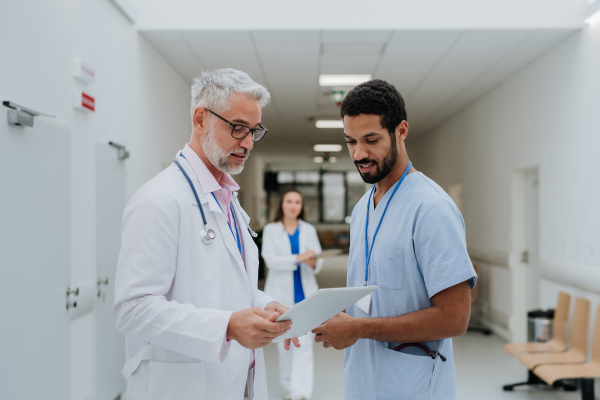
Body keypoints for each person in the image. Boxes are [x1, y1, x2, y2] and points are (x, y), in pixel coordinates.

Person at [112, 68, 299, 400]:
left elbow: (227, 287)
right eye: (238, 128)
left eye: (254, 131)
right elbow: (132, 309)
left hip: (237, 381)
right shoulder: (159, 200)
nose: (247, 143)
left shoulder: (226, 199)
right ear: (200, 119)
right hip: (182, 387)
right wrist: (226, 326)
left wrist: (267, 305)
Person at [311, 79, 477, 400]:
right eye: (350, 141)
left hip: (412, 384)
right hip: (362, 379)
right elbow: (369, 291)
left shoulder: (431, 208)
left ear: (401, 131)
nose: (359, 153)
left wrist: (359, 329)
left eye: (371, 140)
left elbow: (455, 318)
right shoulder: (362, 209)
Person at [262, 188, 324, 400]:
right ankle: (289, 386)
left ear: (301, 206)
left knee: (305, 343)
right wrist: (298, 257)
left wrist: (312, 261)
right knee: (284, 342)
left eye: (297, 202)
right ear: (282, 205)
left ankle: (301, 392)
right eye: (289, 201)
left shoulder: (308, 229)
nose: (293, 205)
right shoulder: (271, 230)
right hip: (280, 297)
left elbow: (318, 259)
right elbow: (270, 260)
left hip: (305, 294)